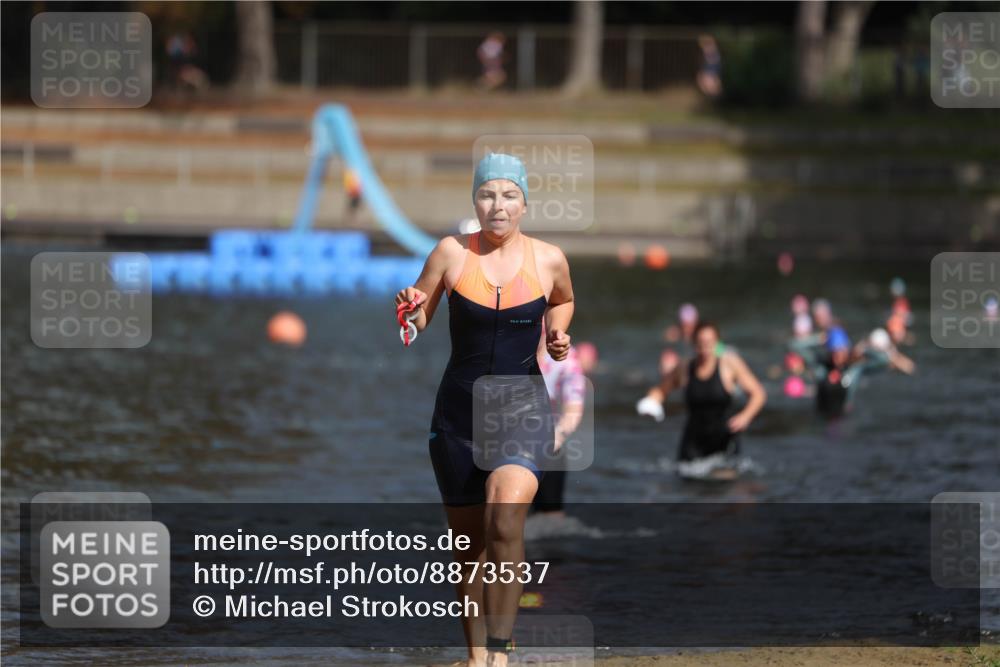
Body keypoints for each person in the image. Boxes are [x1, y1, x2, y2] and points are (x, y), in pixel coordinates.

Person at [394, 153, 574, 667]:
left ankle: (501, 651)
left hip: (522, 410)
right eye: (488, 194)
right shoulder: (450, 253)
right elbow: (420, 316)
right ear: (475, 201)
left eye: (509, 195)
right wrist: (409, 311)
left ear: (524, 204)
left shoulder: (549, 259)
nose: (498, 205)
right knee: (468, 549)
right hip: (457, 419)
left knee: (505, 515)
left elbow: (562, 300)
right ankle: (477, 657)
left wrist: (557, 333)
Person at [638, 321, 766, 465]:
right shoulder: (685, 368)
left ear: (717, 342)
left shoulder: (730, 364)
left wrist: (746, 416)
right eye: (701, 343)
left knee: (725, 477)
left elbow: (758, 393)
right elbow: (661, 390)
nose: (705, 348)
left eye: (709, 342)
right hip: (693, 443)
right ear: (694, 343)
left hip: (724, 440)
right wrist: (651, 402)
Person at [531, 336, 588, 517]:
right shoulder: (504, 347)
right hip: (503, 442)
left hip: (549, 442)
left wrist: (553, 439)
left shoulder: (566, 358)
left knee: (550, 518)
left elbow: (573, 411)